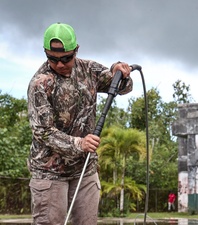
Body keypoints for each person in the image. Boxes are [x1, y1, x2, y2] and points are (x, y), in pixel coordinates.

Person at [27, 22, 133, 225]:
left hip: (85, 170)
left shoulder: (89, 70)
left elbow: (123, 87)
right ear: (45, 53)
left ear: (76, 50)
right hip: (49, 173)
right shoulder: (40, 83)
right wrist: (80, 144)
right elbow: (44, 132)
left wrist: (118, 70)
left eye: (66, 58)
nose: (59, 64)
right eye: (52, 58)